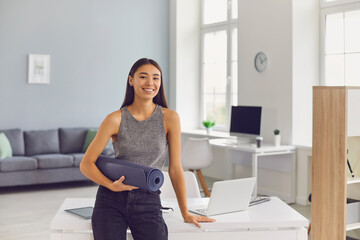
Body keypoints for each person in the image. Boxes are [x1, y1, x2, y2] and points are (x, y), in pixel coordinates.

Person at [80, 58, 215, 240]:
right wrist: (110, 185)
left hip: (148, 200)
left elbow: (175, 168)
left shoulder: (170, 118)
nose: (150, 83)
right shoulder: (115, 119)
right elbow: (86, 164)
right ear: (131, 80)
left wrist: (185, 212)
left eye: (156, 78)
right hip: (111, 200)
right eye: (143, 77)